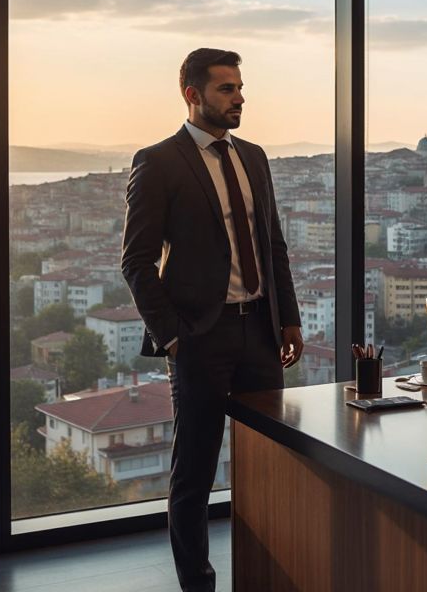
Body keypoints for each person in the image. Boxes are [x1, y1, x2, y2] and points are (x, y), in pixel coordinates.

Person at [120, 47, 303, 591]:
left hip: (261, 333)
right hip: (201, 337)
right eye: (226, 88)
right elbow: (136, 260)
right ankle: (197, 583)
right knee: (194, 472)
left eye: (240, 87)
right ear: (192, 95)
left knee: (271, 466)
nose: (239, 97)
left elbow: (273, 245)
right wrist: (174, 336)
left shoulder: (255, 157)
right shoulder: (159, 161)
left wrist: (288, 318)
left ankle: (270, 574)